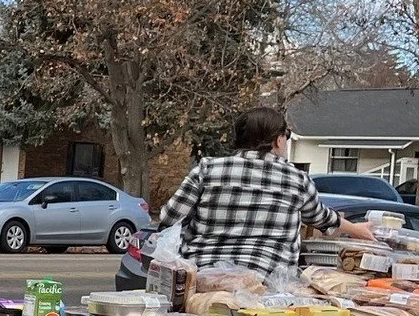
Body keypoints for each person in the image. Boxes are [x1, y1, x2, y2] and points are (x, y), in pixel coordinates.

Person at [158, 106, 376, 275]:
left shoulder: (207, 169)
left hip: (203, 279)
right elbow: (322, 218)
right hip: (268, 286)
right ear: (278, 139)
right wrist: (356, 229)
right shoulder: (296, 179)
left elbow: (168, 218)